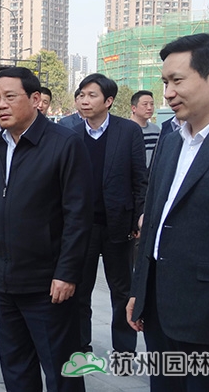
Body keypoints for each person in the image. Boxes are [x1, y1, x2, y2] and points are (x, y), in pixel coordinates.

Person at [0, 67, 93, 392]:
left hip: (48, 284)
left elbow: (78, 216)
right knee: (16, 366)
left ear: (36, 99)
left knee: (61, 370)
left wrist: (66, 273)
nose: (0, 105)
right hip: (4, 280)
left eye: (10, 96)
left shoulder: (64, 144)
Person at [127, 33, 209, 391]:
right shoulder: (172, 140)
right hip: (159, 311)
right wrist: (139, 291)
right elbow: (154, 220)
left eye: (177, 81)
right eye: (164, 83)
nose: (168, 93)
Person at [71, 73, 147, 355]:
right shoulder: (70, 133)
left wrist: (138, 217)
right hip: (83, 227)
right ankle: (81, 345)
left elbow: (140, 179)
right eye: (81, 95)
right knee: (80, 289)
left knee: (121, 290)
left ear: (109, 101)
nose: (84, 100)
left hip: (119, 224)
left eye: (92, 95)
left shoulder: (128, 131)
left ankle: (124, 350)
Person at [130, 90, 160, 168]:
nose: (149, 108)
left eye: (152, 104)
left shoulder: (156, 130)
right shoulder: (125, 130)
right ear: (133, 108)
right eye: (145, 104)